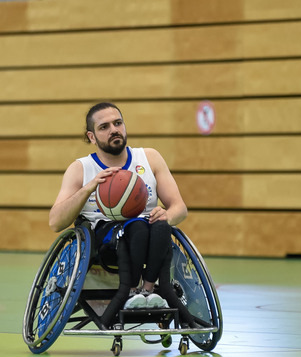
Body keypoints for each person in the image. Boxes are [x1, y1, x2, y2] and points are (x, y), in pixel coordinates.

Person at [48, 102, 197, 330]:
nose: (113, 130)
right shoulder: (81, 169)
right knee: (136, 228)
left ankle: (148, 291)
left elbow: (180, 208)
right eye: (104, 127)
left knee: (161, 224)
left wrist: (166, 213)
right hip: (107, 243)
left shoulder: (149, 158)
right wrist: (88, 189)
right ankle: (130, 292)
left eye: (118, 123)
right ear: (92, 136)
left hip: (151, 236)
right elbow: (56, 222)